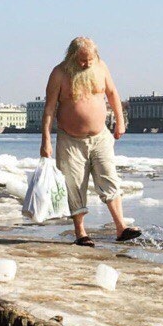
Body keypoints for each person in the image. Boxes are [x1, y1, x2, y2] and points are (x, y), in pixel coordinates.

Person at [40, 37, 141, 247]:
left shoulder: (101, 66)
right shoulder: (59, 73)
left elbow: (113, 94)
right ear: (71, 56)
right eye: (82, 61)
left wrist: (120, 122)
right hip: (70, 140)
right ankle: (81, 232)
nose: (86, 64)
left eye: (89, 60)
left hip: (100, 136)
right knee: (74, 184)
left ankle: (121, 227)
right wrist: (46, 141)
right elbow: (49, 109)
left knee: (109, 177)